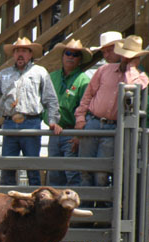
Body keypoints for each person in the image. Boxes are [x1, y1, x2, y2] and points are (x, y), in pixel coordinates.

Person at [0, 37, 61, 186]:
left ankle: (35, 205)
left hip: (31, 123)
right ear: (13, 54)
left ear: (30, 54)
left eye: (24, 51)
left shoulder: (40, 72)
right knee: (7, 169)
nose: (20, 54)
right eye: (17, 51)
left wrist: (52, 121)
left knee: (33, 168)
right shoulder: (3, 74)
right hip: (10, 123)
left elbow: (51, 100)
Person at [75, 35, 149, 188]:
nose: (125, 59)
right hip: (93, 122)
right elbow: (88, 95)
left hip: (113, 126)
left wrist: (131, 68)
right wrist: (80, 117)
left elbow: (133, 89)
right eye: (125, 56)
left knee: (102, 172)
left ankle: (101, 208)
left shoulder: (141, 78)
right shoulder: (103, 70)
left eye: (130, 57)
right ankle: (88, 206)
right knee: (84, 168)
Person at [45, 39, 91, 186]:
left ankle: (72, 208)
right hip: (54, 132)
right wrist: (51, 123)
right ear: (63, 56)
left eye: (75, 54)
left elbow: (87, 111)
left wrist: (79, 135)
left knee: (73, 174)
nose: (70, 56)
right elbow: (43, 104)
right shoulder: (52, 77)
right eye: (68, 53)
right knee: (54, 173)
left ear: (80, 60)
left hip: (72, 132)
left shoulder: (84, 81)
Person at [91, 31, 149, 129]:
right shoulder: (106, 71)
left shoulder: (138, 73)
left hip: (137, 124)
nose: (106, 56)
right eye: (104, 52)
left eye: (110, 50)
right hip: (132, 123)